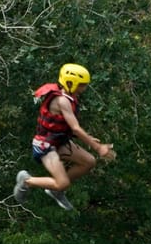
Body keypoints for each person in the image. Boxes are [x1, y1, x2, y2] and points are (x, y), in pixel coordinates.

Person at [13, 63, 115, 211]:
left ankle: (56, 191)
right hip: (45, 145)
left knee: (89, 161)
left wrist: (88, 138)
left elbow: (61, 126)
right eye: (82, 85)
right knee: (63, 183)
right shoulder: (62, 101)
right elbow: (75, 128)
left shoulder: (69, 97)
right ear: (70, 83)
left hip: (58, 142)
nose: (84, 88)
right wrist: (98, 147)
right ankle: (27, 181)